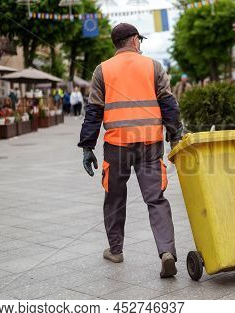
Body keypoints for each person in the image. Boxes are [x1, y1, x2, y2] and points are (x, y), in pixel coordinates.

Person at [78, 23, 183, 278]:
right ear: (135, 40)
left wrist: (87, 146)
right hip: (149, 143)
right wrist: (175, 136)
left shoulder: (102, 70)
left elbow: (93, 111)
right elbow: (169, 103)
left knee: (114, 198)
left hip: (117, 145)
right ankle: (166, 251)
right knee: (155, 198)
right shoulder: (153, 66)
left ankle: (116, 250)